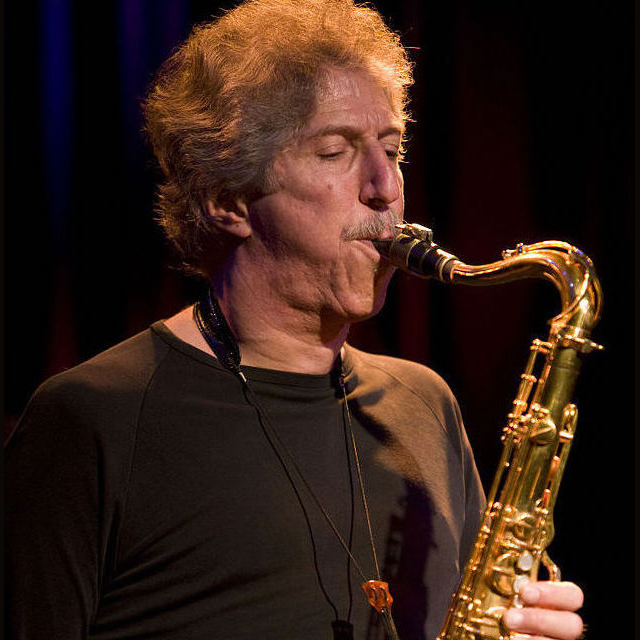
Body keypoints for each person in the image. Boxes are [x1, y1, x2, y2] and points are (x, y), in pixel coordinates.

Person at [5, 1, 585, 639]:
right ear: (228, 199)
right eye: (335, 151)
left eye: (393, 149)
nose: (386, 187)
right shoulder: (92, 419)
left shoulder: (427, 402)